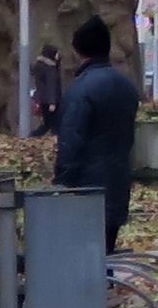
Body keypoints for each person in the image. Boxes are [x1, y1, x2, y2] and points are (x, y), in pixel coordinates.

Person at [56, 15, 141, 254]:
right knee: (106, 251)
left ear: (78, 50)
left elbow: (71, 140)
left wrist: (62, 182)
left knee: (82, 254)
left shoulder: (81, 89)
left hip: (85, 185)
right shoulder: (126, 87)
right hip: (117, 178)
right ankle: (106, 287)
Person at [30, 42, 63, 137]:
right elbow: (51, 85)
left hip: (44, 99)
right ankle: (33, 136)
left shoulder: (40, 66)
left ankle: (33, 136)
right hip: (51, 101)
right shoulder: (49, 69)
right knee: (54, 123)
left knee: (48, 123)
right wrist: (52, 102)